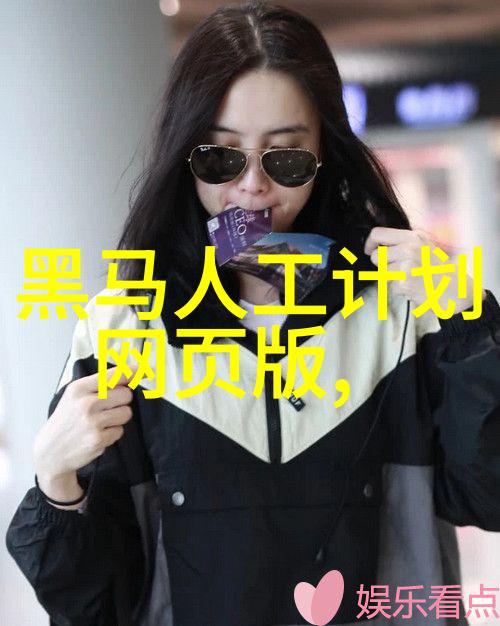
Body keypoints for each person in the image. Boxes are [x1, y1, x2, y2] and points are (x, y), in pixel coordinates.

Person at [6, 3, 500, 626]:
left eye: (286, 157)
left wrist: (469, 326)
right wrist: (56, 484)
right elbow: (95, 604)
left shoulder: (405, 312)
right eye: (222, 156)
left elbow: (489, 496)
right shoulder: (125, 328)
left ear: (324, 156)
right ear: (185, 155)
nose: (252, 186)